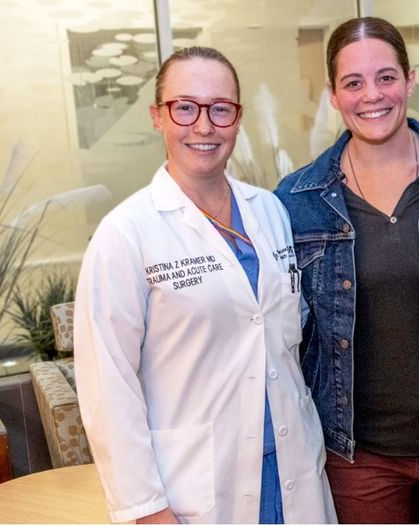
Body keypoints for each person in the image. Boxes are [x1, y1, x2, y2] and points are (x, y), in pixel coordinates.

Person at [74, 46, 336, 524]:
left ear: (237, 119)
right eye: (185, 107)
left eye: (220, 109)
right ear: (158, 116)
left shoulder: (270, 211)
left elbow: (285, 336)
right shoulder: (126, 233)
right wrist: (147, 509)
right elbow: (107, 386)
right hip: (197, 488)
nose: (203, 126)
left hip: (294, 465)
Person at [274, 17, 419, 524]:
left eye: (386, 77)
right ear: (333, 95)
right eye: (353, 82)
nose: (372, 95)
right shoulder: (296, 201)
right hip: (358, 456)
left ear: (410, 80)